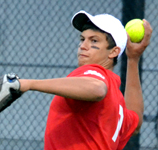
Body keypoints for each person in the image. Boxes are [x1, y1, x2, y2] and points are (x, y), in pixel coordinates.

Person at [18, 10, 152, 150]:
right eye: (82, 39)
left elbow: (97, 88)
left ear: (113, 52)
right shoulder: (116, 98)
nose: (83, 46)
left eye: (94, 40)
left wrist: (28, 84)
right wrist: (133, 59)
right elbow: (135, 123)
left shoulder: (92, 72)